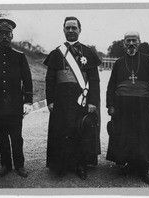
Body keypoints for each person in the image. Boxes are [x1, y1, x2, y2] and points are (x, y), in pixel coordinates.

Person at [44, 16, 101, 180]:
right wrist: (50, 101)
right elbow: (50, 79)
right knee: (61, 132)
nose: (70, 31)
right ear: (63, 30)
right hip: (60, 101)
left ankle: (80, 165)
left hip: (81, 102)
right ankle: (61, 165)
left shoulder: (88, 52)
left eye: (73, 28)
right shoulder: (56, 53)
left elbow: (95, 81)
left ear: (79, 30)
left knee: (80, 132)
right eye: (67, 28)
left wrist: (92, 102)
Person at [106, 31, 149, 185]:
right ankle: (130, 165)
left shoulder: (148, 60)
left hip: (143, 105)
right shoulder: (119, 63)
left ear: (139, 42)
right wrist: (110, 104)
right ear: (124, 43)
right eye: (128, 41)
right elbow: (111, 85)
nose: (131, 44)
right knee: (126, 135)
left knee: (143, 136)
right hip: (122, 105)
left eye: (134, 40)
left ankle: (143, 169)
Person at [0, 18, 33, 178]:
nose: (4, 36)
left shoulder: (19, 56)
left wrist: (28, 101)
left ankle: (20, 165)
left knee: (17, 138)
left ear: (12, 35)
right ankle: (6, 165)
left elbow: (28, 80)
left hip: (15, 106)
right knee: (0, 137)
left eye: (7, 33)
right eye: (0, 33)